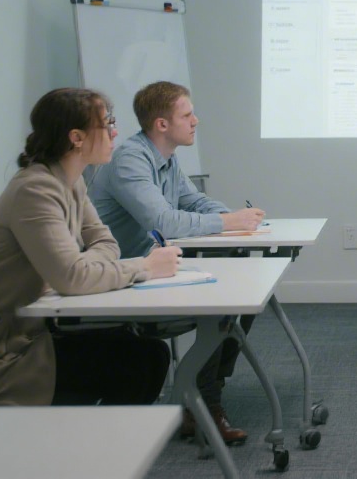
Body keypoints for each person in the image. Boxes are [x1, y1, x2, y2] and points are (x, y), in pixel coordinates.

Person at [0, 88, 182, 406]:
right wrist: (144, 267)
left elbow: (104, 243)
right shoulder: (36, 189)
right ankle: (87, 451)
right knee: (139, 361)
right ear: (76, 137)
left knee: (147, 351)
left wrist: (83, 268)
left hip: (27, 333)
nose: (116, 131)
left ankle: (93, 450)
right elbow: (72, 278)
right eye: (107, 123)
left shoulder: (71, 181)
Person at [89, 80, 263, 445]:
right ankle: (204, 404)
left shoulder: (166, 158)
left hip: (150, 271)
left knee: (242, 284)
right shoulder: (130, 160)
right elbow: (165, 222)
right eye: (187, 114)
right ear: (161, 124)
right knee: (223, 301)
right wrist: (229, 223)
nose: (196, 120)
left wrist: (234, 218)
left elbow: (195, 202)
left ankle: (203, 396)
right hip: (118, 279)